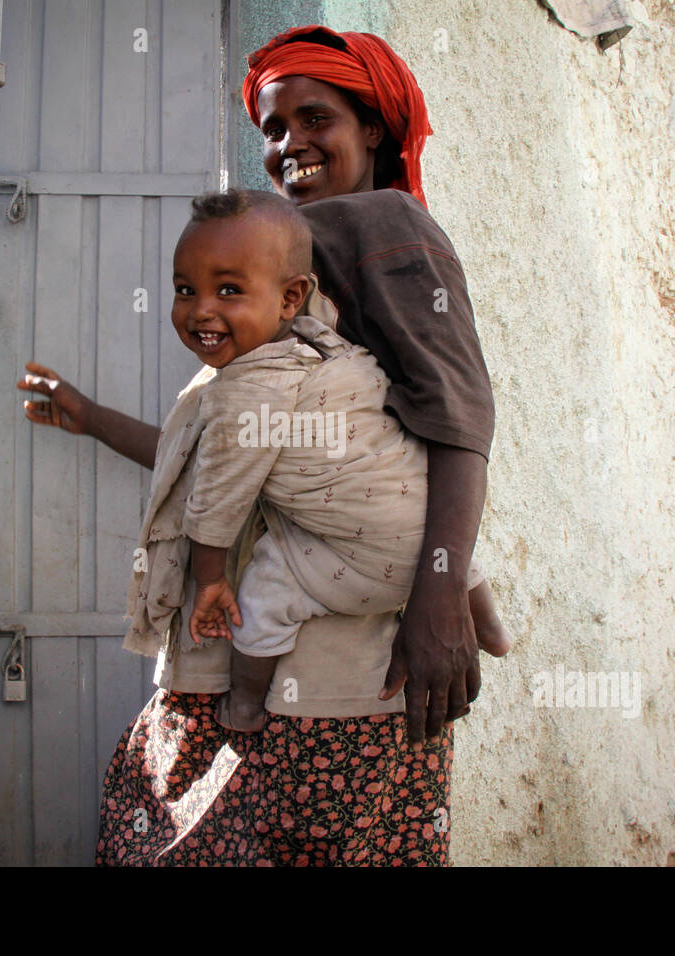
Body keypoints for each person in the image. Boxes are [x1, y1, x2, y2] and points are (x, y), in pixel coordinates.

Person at [18, 25, 498, 865]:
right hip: (257, 667)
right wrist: (90, 417)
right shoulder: (272, 269)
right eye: (273, 129)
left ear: (373, 129)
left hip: (335, 677)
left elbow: (461, 419)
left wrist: (439, 595)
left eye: (316, 119)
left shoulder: (385, 225)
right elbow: (229, 463)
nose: (290, 145)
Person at [136, 187, 508, 733]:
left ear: (292, 297)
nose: (201, 310)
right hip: (436, 548)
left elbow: (216, 504)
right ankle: (493, 630)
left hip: (359, 569)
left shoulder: (243, 393)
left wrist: (211, 581)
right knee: (409, 493)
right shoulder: (322, 339)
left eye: (229, 290)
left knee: (265, 595)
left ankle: (244, 704)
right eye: (185, 290)